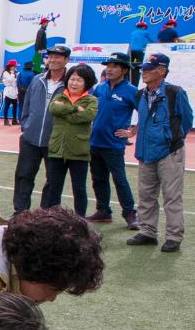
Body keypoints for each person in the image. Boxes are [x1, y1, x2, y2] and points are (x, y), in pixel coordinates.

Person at [125, 53, 194, 252]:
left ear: (162, 71)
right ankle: (148, 231)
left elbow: (187, 119)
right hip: (146, 152)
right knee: (146, 194)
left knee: (172, 196)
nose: (144, 73)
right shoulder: (140, 94)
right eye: (143, 69)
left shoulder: (175, 92)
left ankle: (173, 236)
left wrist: (173, 139)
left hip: (169, 152)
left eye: (149, 69)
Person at [13, 44, 69, 212]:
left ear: (66, 60)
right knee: (24, 176)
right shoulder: (38, 79)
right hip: (30, 137)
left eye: (58, 56)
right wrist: (26, 124)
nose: (53, 59)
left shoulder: (70, 83)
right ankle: (20, 212)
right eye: (50, 56)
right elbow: (26, 103)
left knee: (53, 180)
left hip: (55, 141)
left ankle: (47, 215)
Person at [87, 53, 139, 228]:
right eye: (108, 66)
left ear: (124, 70)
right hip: (95, 142)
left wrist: (132, 131)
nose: (109, 69)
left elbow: (145, 112)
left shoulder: (131, 91)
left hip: (114, 144)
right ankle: (103, 210)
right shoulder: (100, 88)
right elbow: (91, 108)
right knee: (98, 178)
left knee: (119, 179)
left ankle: (130, 213)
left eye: (115, 66)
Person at [42, 64, 98, 217]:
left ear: (86, 82)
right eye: (72, 79)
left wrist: (65, 111)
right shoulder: (60, 96)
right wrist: (74, 109)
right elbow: (53, 109)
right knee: (54, 187)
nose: (74, 83)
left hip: (79, 151)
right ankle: (52, 218)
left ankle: (80, 219)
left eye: (79, 80)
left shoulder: (91, 100)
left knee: (79, 189)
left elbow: (87, 116)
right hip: (56, 150)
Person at [1, 60, 20, 125]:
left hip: (14, 91)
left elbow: (15, 82)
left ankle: (14, 120)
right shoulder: (5, 72)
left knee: (15, 106)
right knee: (7, 106)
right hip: (8, 91)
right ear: (11, 66)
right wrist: (12, 74)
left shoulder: (15, 72)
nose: (15, 67)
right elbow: (10, 80)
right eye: (14, 66)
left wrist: (16, 73)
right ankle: (6, 120)